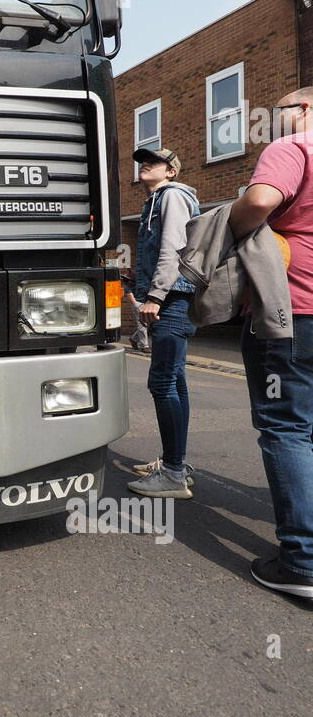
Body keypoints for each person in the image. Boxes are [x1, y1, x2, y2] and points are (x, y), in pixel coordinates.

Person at [229, 87, 313, 601]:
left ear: (304, 108)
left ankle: (302, 562)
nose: (274, 119)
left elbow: (260, 201)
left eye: (280, 110)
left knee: (287, 427)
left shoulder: (295, 148)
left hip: (292, 310)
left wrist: (237, 229)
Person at [127, 148, 200, 498]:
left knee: (162, 383)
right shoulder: (156, 200)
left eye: (154, 162)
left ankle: (172, 474)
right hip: (169, 299)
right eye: (143, 161)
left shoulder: (172, 196)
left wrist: (155, 296)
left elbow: (173, 248)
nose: (145, 165)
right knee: (176, 380)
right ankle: (177, 463)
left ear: (171, 171)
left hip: (170, 300)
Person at [121, 268, 150, 352]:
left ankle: (134, 339)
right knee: (142, 325)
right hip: (138, 305)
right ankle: (144, 346)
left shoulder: (137, 286)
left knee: (145, 325)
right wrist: (138, 307)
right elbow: (132, 300)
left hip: (143, 304)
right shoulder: (127, 288)